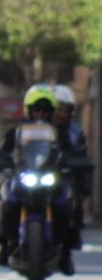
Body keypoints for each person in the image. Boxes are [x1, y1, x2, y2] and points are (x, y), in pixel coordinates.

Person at [0, 85, 77, 274]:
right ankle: (4, 243)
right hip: (23, 176)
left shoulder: (59, 133)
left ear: (51, 112)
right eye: (37, 109)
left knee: (68, 200)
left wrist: (76, 161)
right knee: (4, 194)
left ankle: (66, 252)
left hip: (49, 177)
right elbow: (5, 151)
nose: (40, 114)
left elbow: (70, 152)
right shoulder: (16, 132)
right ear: (29, 110)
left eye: (45, 110)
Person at [51, 84, 90, 251]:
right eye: (56, 109)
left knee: (73, 204)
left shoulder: (75, 132)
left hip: (63, 177)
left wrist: (84, 190)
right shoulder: (34, 128)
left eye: (64, 110)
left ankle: (68, 247)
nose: (60, 114)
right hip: (35, 174)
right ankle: (7, 241)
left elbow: (82, 156)